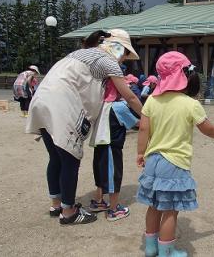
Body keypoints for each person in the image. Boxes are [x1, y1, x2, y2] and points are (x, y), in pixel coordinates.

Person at [26, 29, 142, 225]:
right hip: (61, 102)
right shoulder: (108, 60)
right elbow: (130, 97)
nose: (124, 60)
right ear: (118, 48)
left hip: (41, 99)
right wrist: (150, 116)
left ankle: (57, 204)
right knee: (70, 159)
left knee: (55, 157)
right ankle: (69, 212)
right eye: (125, 55)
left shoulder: (80, 53)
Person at [136, 51, 214, 256]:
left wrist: (140, 152)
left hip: (153, 160)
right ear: (184, 75)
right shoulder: (190, 104)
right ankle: (166, 251)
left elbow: (143, 129)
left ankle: (150, 247)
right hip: (174, 162)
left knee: (154, 206)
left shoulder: (152, 101)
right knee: (170, 209)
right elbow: (207, 128)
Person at [89, 43, 141, 222]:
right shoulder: (119, 106)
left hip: (100, 143)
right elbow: (137, 123)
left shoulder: (103, 103)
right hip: (112, 146)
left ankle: (98, 201)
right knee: (113, 174)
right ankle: (113, 209)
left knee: (99, 170)